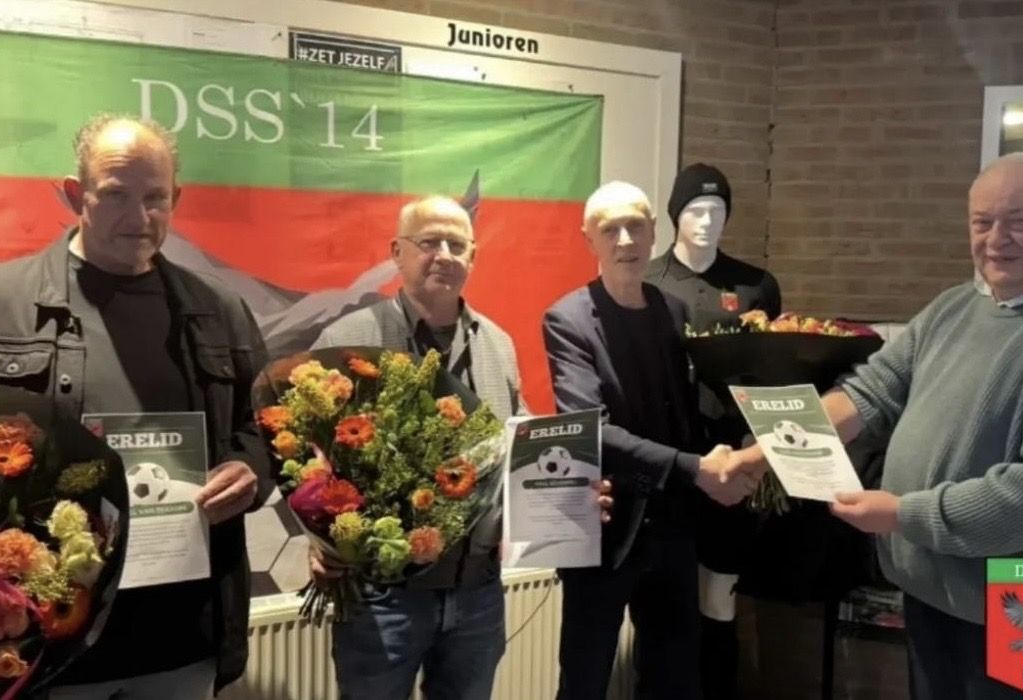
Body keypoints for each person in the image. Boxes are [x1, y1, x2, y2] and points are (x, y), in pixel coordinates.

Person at [0, 115, 274, 698]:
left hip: (178, 639)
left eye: (155, 198)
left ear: (175, 200)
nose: (138, 217)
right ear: (75, 194)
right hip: (37, 649)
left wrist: (251, 470)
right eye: (115, 195)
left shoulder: (219, 310)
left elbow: (263, 427)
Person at [738, 153, 1023, 699]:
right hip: (933, 588)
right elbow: (871, 390)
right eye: (982, 222)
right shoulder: (955, 307)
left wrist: (902, 515)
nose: (996, 239)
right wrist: (762, 453)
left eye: (1019, 221)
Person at [310, 195, 612, 700]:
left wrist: (574, 490)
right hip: (382, 599)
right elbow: (307, 458)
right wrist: (321, 538)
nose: (444, 255)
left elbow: (520, 446)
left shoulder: (498, 343)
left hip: (478, 593)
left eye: (457, 244)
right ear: (397, 252)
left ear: (473, 257)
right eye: (429, 242)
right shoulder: (348, 340)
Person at [542, 181, 760, 700]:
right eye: (610, 229)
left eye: (635, 226)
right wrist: (697, 468)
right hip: (604, 529)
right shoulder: (567, 319)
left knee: (675, 680)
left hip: (674, 529)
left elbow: (685, 413)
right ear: (589, 239)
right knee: (584, 682)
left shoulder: (673, 310)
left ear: (653, 231)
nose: (625, 240)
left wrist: (746, 443)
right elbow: (592, 431)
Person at [645, 163, 781, 699]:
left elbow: (771, 372)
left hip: (734, 462)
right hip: (669, 466)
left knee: (719, 598)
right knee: (666, 601)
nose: (707, 221)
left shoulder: (755, 285)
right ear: (675, 215)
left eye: (718, 210)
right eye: (696, 210)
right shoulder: (648, 281)